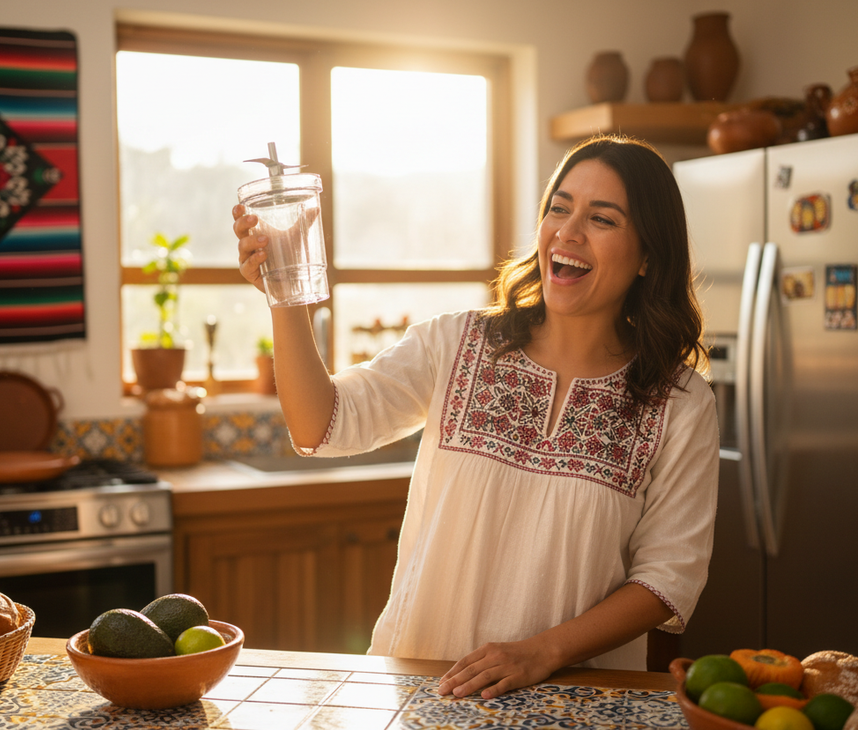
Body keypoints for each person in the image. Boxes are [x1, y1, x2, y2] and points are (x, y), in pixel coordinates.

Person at [232, 135, 719, 700]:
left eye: (602, 219)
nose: (568, 231)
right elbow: (320, 424)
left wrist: (544, 651)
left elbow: (667, 580)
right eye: (558, 208)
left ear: (648, 256)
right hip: (422, 692)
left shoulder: (680, 402)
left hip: (574, 703)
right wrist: (286, 293)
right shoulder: (456, 342)